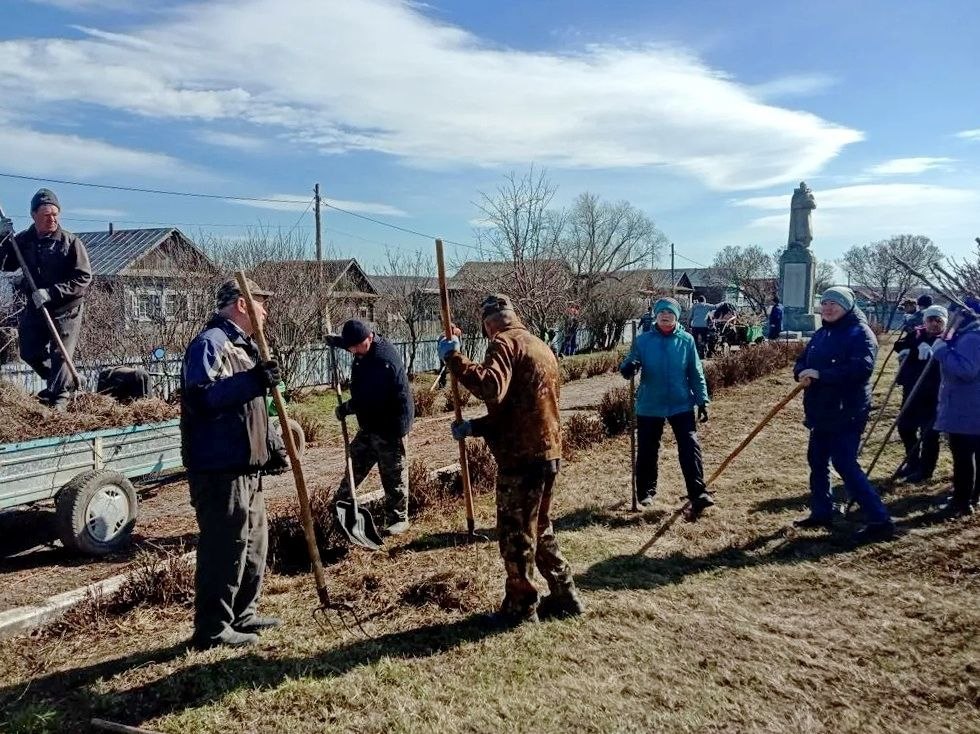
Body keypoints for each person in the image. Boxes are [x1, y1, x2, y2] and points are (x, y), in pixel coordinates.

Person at [438, 294, 582, 625]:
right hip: (548, 451)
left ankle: (520, 608)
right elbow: (521, 409)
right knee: (539, 526)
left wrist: (455, 359)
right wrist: (474, 426)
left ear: (489, 324)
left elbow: (491, 388)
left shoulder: (504, 344)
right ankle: (565, 594)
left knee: (516, 534)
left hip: (522, 459)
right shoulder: (539, 346)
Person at [181, 278, 288, 650]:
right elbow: (203, 398)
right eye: (261, 302)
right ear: (242, 304)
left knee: (254, 544)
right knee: (225, 547)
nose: (266, 310)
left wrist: (272, 446)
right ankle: (212, 629)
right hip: (220, 468)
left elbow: (254, 408)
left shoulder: (244, 348)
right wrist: (252, 381)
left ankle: (243, 614)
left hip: (247, 465)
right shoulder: (210, 343)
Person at [793, 287, 895, 542]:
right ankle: (821, 511)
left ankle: (879, 519)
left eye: (834, 303)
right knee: (817, 461)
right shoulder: (823, 331)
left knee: (844, 463)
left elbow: (861, 369)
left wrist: (822, 375)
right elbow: (803, 359)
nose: (828, 308)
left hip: (847, 410)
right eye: (825, 303)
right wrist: (802, 371)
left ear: (847, 306)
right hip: (821, 409)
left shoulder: (859, 333)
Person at [0, 189, 92, 410]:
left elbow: (83, 277)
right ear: (34, 216)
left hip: (66, 306)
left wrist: (51, 292)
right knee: (29, 350)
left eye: (55, 214)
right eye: (46, 215)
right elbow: (4, 265)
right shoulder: (23, 241)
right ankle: (63, 381)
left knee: (60, 353)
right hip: (37, 306)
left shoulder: (70, 242)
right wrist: (2, 238)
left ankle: (59, 400)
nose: (52, 219)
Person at [620, 297, 712, 515]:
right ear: (656, 316)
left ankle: (697, 492)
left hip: (681, 403)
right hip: (650, 404)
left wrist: (702, 400)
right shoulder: (643, 341)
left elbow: (695, 372)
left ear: (677, 317)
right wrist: (628, 368)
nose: (665, 316)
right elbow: (628, 364)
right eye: (662, 313)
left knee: (690, 446)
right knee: (648, 449)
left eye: (670, 313)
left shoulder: (687, 340)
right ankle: (645, 492)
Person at [331, 319, 414, 535]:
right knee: (355, 462)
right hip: (370, 423)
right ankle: (342, 506)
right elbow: (353, 343)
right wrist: (336, 342)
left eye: (358, 347)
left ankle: (399, 518)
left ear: (370, 337)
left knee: (392, 473)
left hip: (390, 425)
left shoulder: (383, 360)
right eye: (351, 348)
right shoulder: (363, 346)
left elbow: (368, 399)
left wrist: (345, 408)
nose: (355, 352)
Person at [931, 298, 980, 516]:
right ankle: (971, 496)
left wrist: (942, 351)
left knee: (963, 456)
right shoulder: (972, 335)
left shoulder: (972, 337)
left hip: (966, 406)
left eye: (952, 315)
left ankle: (961, 503)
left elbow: (966, 370)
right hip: (969, 405)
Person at [893, 305, 947, 483]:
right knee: (905, 428)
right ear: (925, 321)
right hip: (912, 389)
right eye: (930, 320)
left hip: (934, 393)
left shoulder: (948, 339)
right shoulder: (917, 334)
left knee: (929, 434)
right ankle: (912, 462)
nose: (933, 324)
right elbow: (899, 344)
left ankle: (926, 470)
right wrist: (911, 349)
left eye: (938, 320)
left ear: (944, 322)